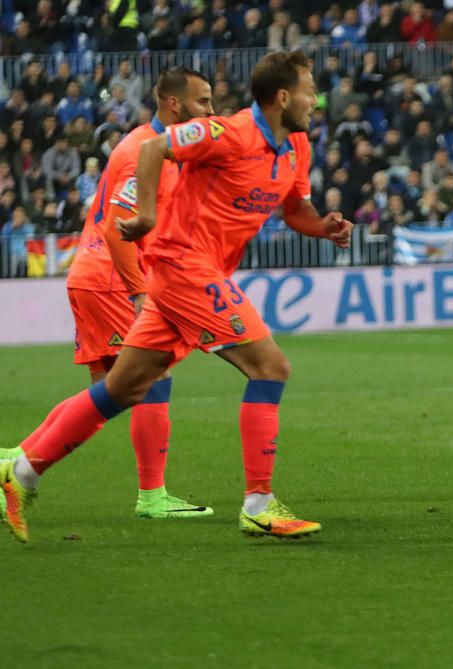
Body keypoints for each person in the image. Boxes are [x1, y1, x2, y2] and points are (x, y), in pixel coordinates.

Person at [0, 51, 354, 543]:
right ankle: (258, 504)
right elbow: (153, 150)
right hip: (184, 265)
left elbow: (296, 209)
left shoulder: (295, 145)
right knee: (270, 368)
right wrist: (144, 216)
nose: (316, 100)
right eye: (309, 89)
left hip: (188, 274)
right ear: (282, 96)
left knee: (124, 389)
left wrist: (324, 227)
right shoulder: (226, 134)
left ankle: (20, 474)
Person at [3, 68, 217, 519]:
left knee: (106, 395)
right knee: (150, 378)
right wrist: (140, 292)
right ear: (174, 105)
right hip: (111, 279)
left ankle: (14, 459)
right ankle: (152, 496)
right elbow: (116, 227)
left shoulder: (152, 145)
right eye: (204, 102)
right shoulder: (145, 149)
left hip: (92, 274)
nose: (211, 112)